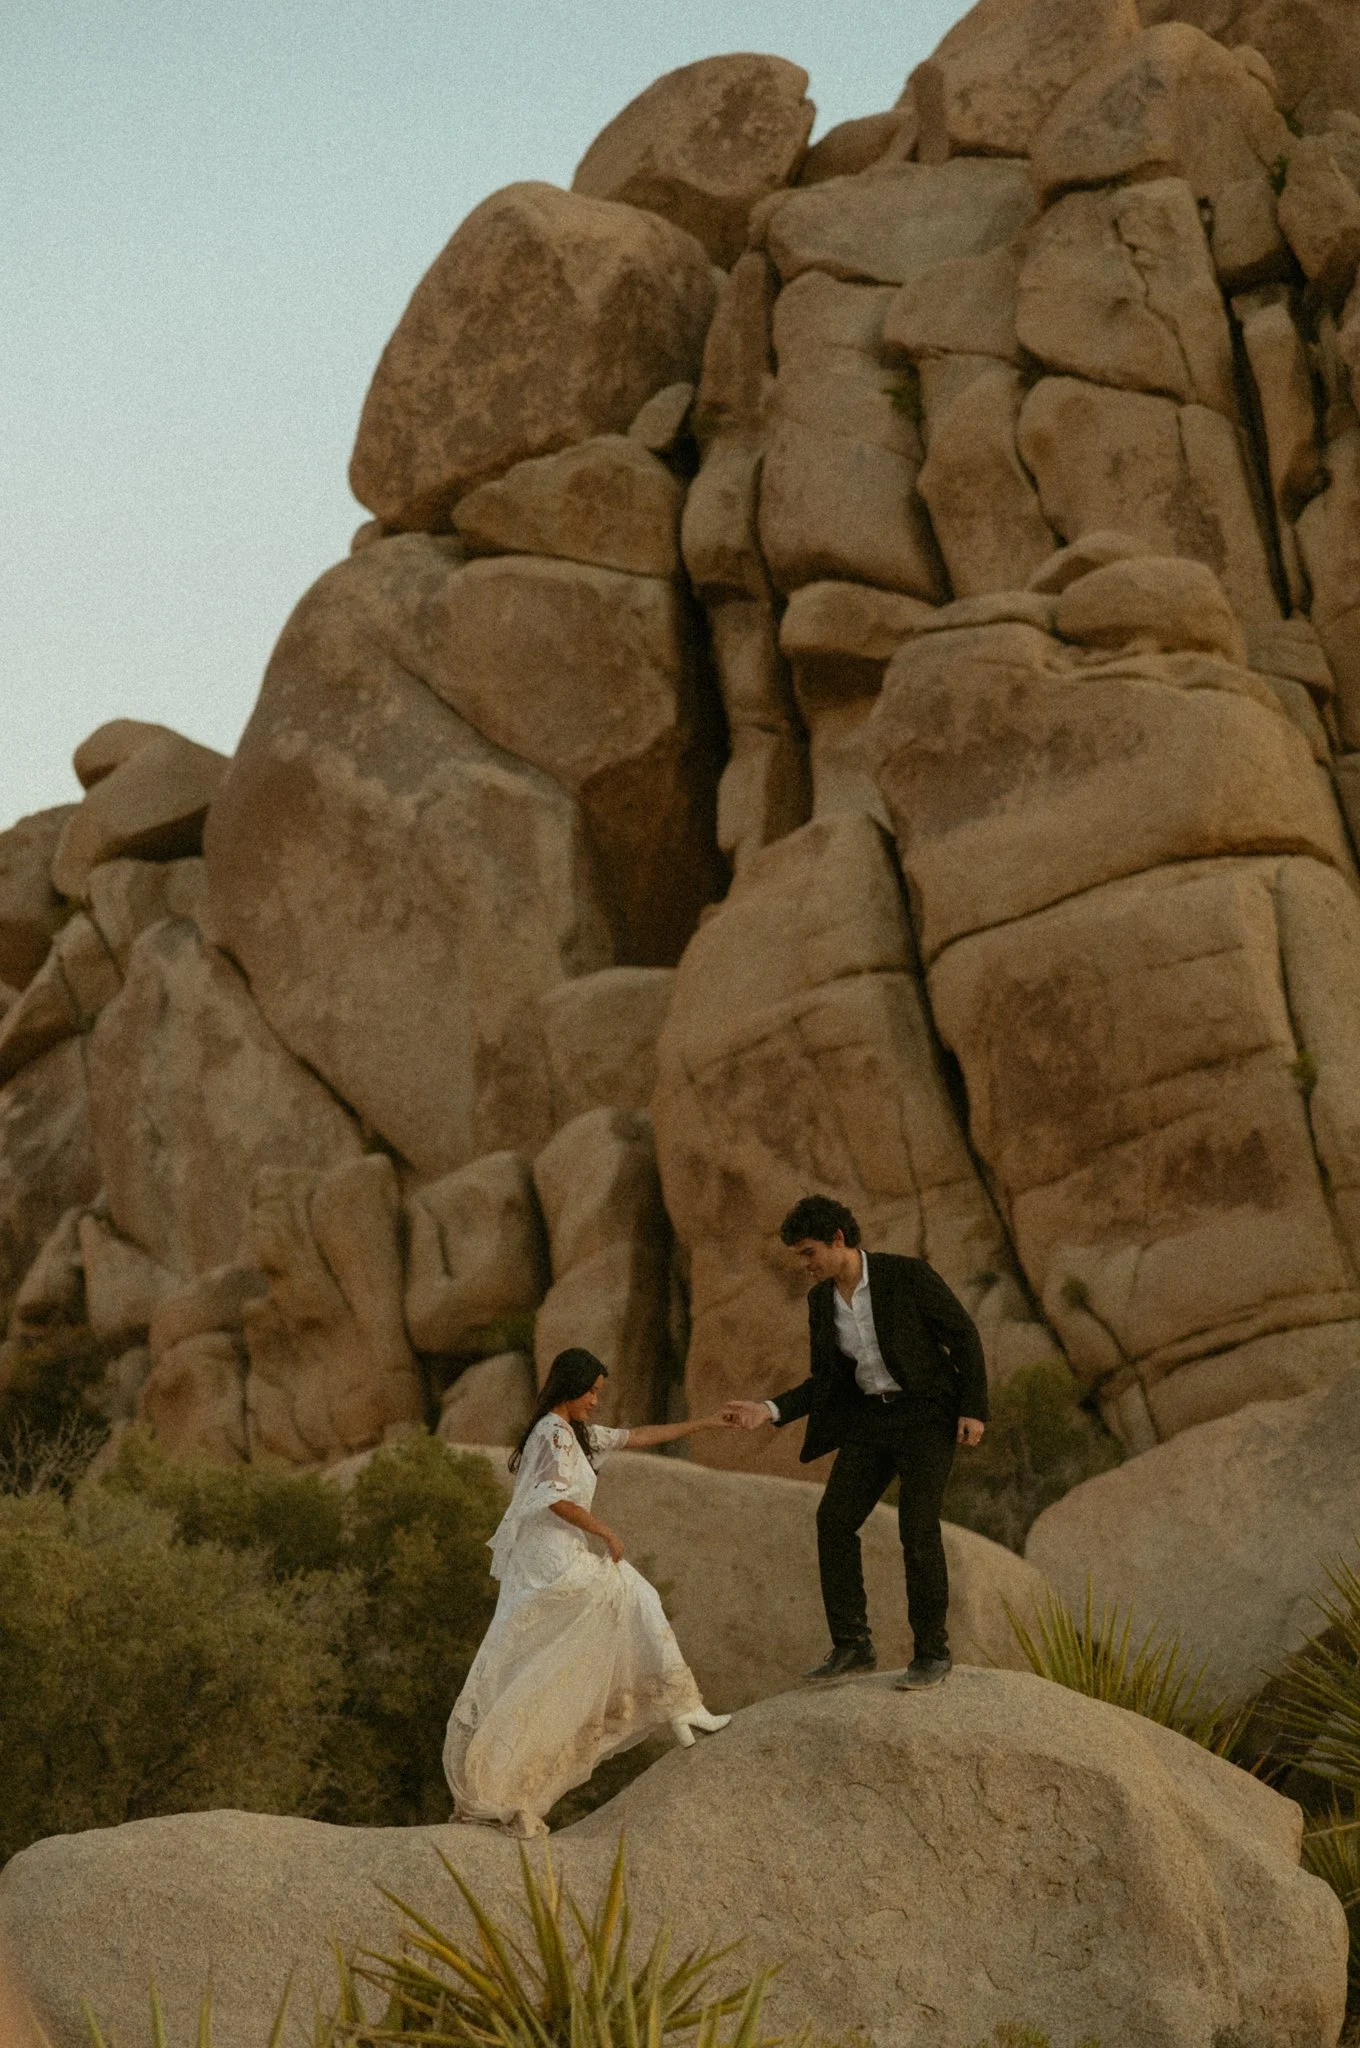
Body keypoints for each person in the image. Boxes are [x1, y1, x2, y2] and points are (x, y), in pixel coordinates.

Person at [444, 1347, 735, 1835]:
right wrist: (605, 1531)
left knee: (593, 1634)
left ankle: (683, 1709)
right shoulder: (552, 1434)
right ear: (571, 1387)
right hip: (548, 1560)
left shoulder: (575, 1435)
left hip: (558, 1554)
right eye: (592, 1391)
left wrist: (704, 1424)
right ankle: (683, 1708)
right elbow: (553, 1499)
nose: (597, 1400)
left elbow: (640, 1435)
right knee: (622, 1604)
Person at [725, 1195, 988, 1691]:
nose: (805, 1265)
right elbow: (825, 1380)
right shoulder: (821, 1302)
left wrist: (973, 1407)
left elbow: (964, 1335)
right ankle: (853, 1645)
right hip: (871, 1419)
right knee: (834, 1520)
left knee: (918, 1528)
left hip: (926, 1414)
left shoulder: (906, 1275)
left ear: (838, 1240)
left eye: (808, 1253)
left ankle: (932, 1653)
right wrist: (769, 1409)